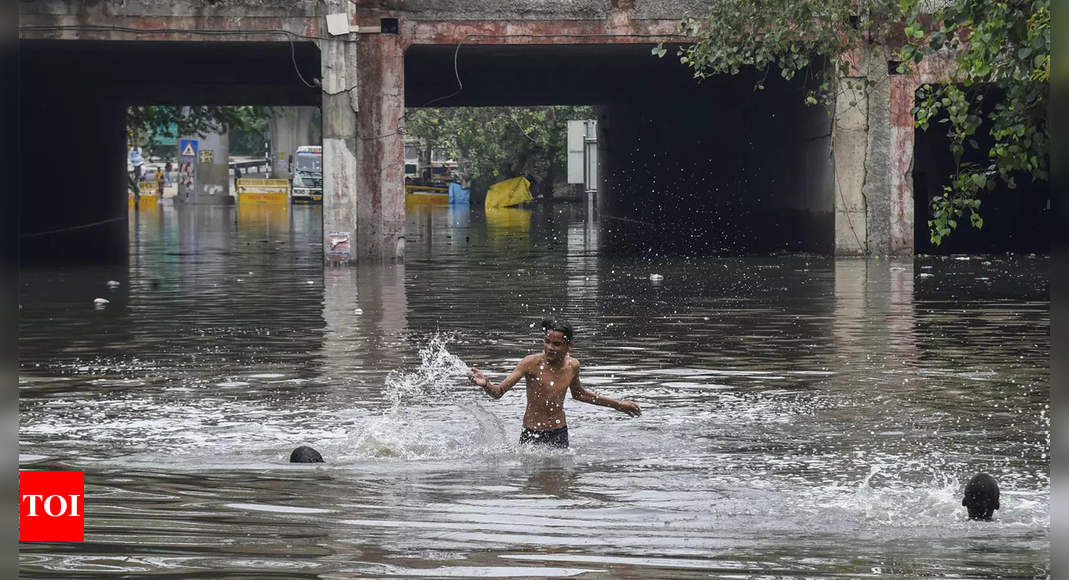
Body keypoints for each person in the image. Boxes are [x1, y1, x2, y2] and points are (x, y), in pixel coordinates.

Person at [468, 319, 641, 449]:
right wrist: (485, 384)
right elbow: (499, 392)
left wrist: (617, 404)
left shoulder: (573, 365)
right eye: (547, 342)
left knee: (561, 481)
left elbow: (579, 394)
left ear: (569, 346)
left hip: (559, 431)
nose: (550, 347)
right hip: (532, 433)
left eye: (557, 344)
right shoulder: (530, 363)